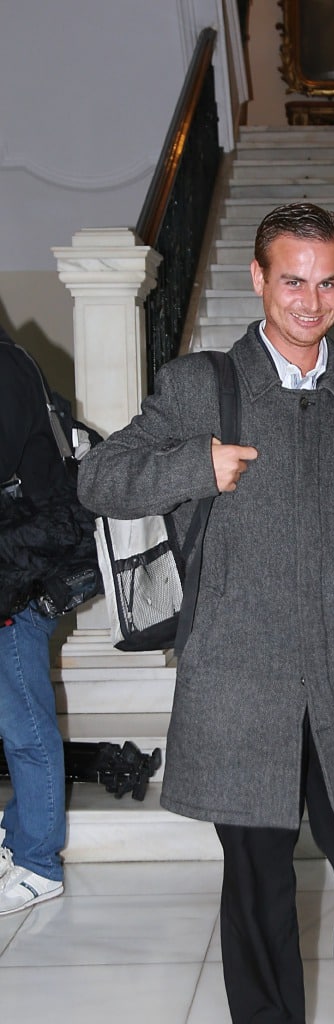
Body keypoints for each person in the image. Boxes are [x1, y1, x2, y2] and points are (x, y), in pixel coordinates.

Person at [78, 203, 334, 1024]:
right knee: (257, 875)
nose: (311, 300)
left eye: (328, 281)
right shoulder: (203, 386)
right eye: (293, 280)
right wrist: (194, 466)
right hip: (243, 676)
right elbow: (99, 479)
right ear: (259, 279)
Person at [0, 326, 92, 914]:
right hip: (19, 565)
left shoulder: (5, 370)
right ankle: (18, 838)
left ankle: (38, 863)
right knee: (15, 718)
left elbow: (29, 489)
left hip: (24, 577)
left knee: (25, 725)